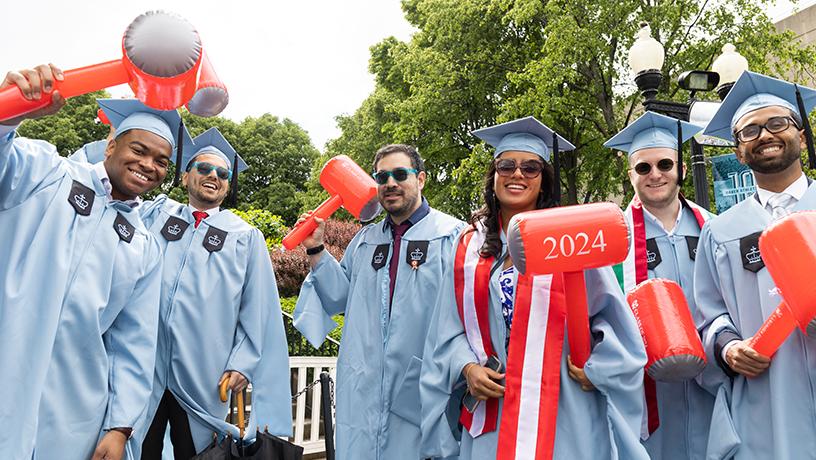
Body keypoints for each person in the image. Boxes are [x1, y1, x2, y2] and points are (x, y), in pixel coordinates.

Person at [420, 116, 648, 459]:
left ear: (544, 181)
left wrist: (597, 368)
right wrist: (468, 368)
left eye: (531, 167)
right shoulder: (467, 247)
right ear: (493, 176)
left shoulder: (573, 237)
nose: (517, 174)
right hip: (495, 408)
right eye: (506, 165)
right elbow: (446, 331)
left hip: (562, 407)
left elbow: (611, 321)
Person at [0, 65, 188, 460]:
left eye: (161, 161)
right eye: (139, 150)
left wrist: (120, 427)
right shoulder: (46, 173)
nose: (149, 165)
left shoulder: (142, 244)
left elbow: (133, 341)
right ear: (110, 145)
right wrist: (7, 113)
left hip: (73, 409)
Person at [292, 144, 465, 459]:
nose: (390, 183)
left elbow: (469, 315)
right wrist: (316, 249)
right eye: (382, 177)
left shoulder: (453, 237)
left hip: (424, 383)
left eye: (400, 174)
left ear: (421, 179)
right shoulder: (365, 241)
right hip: (364, 386)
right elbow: (340, 298)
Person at [133, 127, 291, 458]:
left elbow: (258, 311)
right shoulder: (155, 215)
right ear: (185, 175)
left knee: (197, 451)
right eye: (203, 168)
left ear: (228, 185)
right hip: (143, 368)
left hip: (203, 375)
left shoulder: (244, 238)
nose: (213, 176)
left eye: (222, 173)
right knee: (138, 447)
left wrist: (243, 364)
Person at [695, 71, 816, 459]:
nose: (765, 135)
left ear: (800, 132)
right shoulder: (721, 231)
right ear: (737, 151)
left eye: (777, 123)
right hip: (765, 402)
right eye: (750, 131)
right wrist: (729, 348)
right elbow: (709, 315)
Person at [605, 111, 714, 459]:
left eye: (665, 164)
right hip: (649, 397)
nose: (655, 174)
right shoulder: (611, 239)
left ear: (681, 169)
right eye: (643, 167)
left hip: (713, 385)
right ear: (630, 174)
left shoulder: (714, 229)